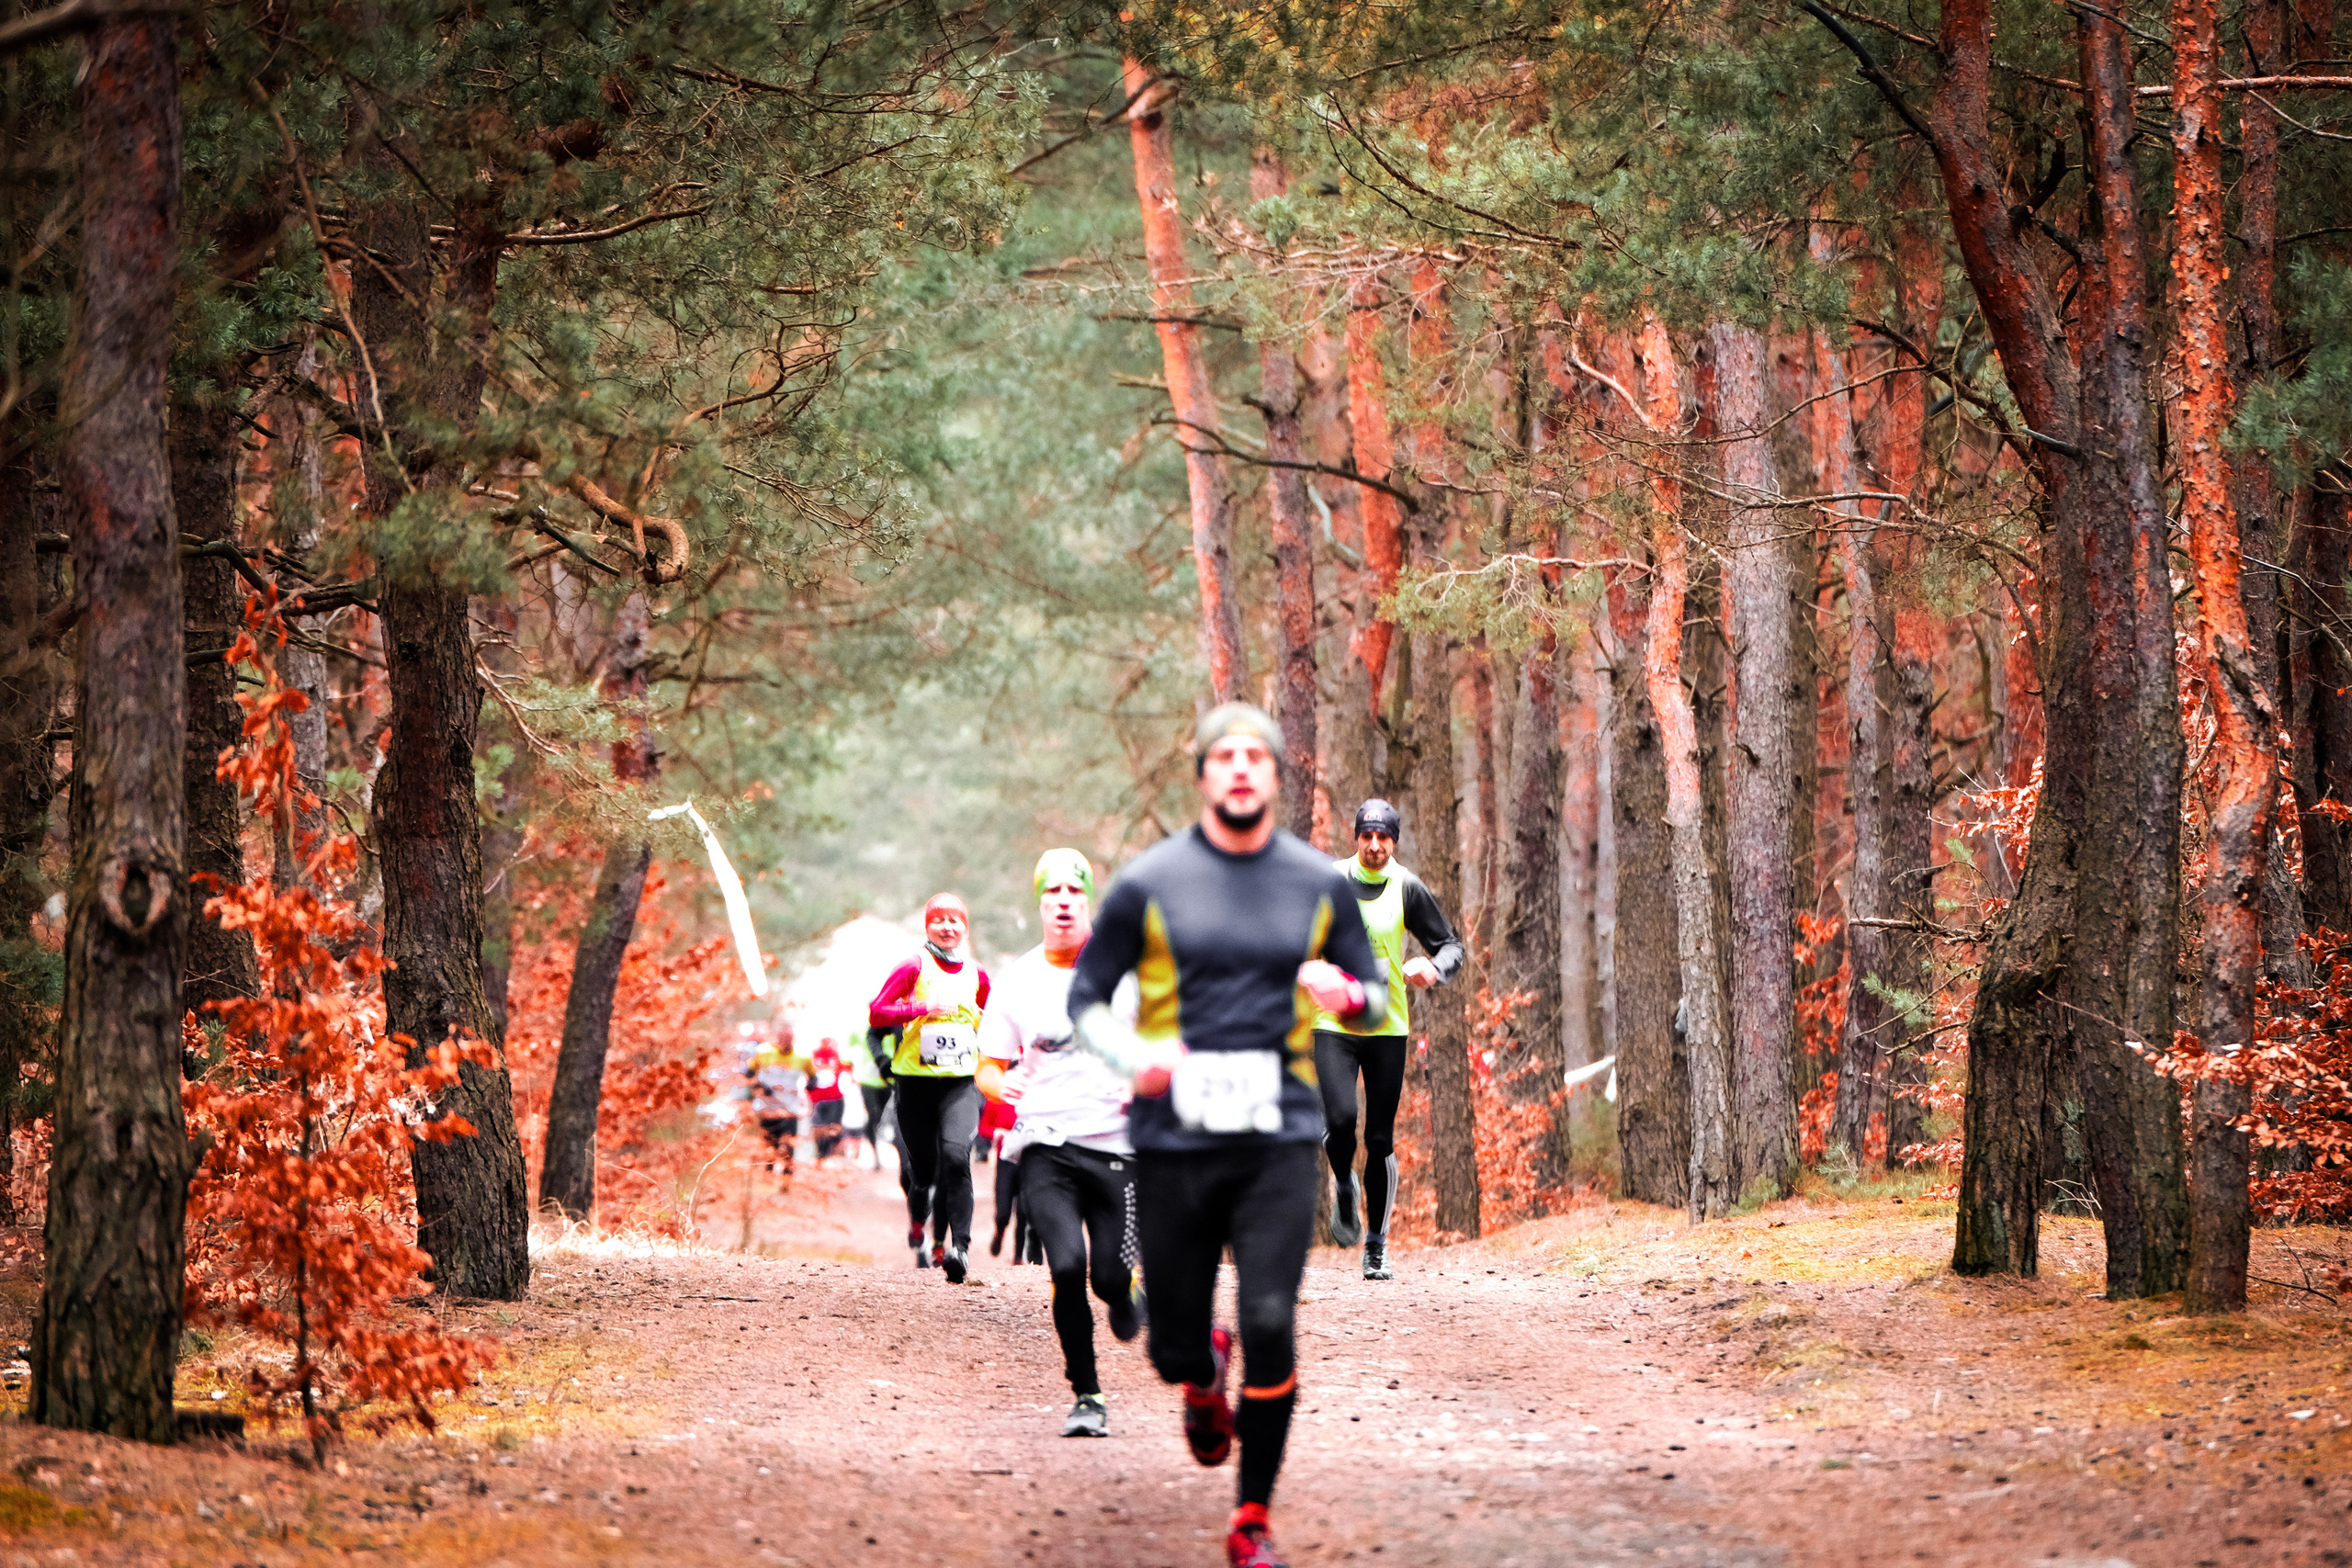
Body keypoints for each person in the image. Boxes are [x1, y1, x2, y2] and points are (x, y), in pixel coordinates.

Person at [1067, 704, 1387, 1568]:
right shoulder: (1148, 882)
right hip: (1173, 1141)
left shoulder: (1318, 884)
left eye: (1258, 756)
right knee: (1169, 1345)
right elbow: (1085, 1001)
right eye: (1225, 756)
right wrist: (1134, 1055)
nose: (1242, 768)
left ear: (1277, 775)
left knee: (1273, 1318)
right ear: (1203, 773)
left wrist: (1346, 995)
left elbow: (1377, 993)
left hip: (1278, 1136)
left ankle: (1252, 1519)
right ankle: (1203, 1370)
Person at [977, 848, 1143, 1439]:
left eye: (1075, 892)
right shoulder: (1018, 978)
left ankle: (1125, 1294)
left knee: (1108, 1278)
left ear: (1088, 900)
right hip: (1045, 1143)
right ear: (1040, 904)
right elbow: (987, 1066)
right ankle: (1087, 1394)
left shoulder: (1125, 971)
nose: (1064, 903)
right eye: (1053, 894)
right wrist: (1005, 1081)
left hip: (1119, 1147)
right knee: (1067, 1268)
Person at [1313, 798, 1465, 1280]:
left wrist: (1433, 968)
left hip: (1387, 1028)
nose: (1375, 846)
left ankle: (1375, 1246)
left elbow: (1450, 946)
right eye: (1367, 836)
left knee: (1379, 1139)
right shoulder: (1330, 882)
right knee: (1340, 1119)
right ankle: (1343, 1185)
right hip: (1334, 1022)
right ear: (1356, 838)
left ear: (1394, 842)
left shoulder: (1406, 887)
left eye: (1384, 838)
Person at [866, 893, 991, 1282]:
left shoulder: (978, 974)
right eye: (940, 920)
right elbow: (876, 1011)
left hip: (959, 1084)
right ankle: (918, 1217)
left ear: (965, 928)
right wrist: (919, 1009)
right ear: (928, 925)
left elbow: (991, 1023)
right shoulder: (912, 966)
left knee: (957, 1157)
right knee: (922, 1173)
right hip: (914, 1085)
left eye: (956, 920)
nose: (948, 926)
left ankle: (961, 1249)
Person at [745, 1030, 809, 1183]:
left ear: (793, 1039)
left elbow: (814, 1080)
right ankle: (768, 1177)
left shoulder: (803, 1058)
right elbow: (748, 1073)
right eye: (781, 1038)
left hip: (790, 1110)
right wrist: (760, 1088)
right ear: (776, 1038)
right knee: (769, 1144)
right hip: (768, 1109)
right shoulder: (763, 1054)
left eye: (787, 1038)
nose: (784, 1042)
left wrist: (802, 1089)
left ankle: (787, 1179)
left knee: (788, 1145)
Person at [808, 1039, 848, 1164]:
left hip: (834, 1097)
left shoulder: (838, 1056)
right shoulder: (812, 1056)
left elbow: (847, 1070)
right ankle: (821, 1154)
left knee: (833, 1128)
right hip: (818, 1098)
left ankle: (832, 1155)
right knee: (819, 1127)